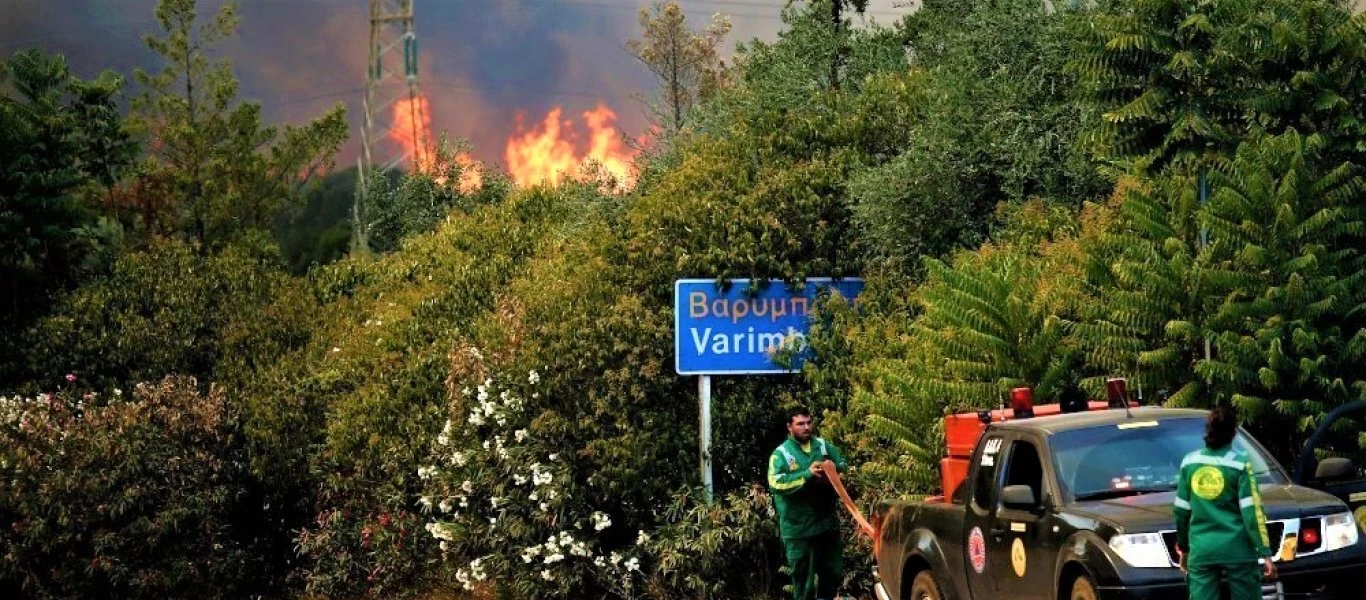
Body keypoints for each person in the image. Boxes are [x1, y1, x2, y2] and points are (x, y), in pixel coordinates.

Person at [1173, 405, 1277, 600]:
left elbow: (1181, 512)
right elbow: (1252, 512)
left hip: (1202, 550)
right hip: (1238, 551)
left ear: (1208, 431)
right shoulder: (1240, 463)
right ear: (1234, 433)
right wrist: (1265, 553)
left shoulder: (1189, 462)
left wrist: (1184, 549)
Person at [767, 406, 849, 600]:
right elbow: (776, 483)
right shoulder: (781, 454)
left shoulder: (823, 446)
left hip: (826, 524)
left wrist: (832, 470)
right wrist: (807, 475)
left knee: (833, 572)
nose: (806, 427)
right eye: (800, 424)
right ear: (789, 427)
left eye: (809, 423)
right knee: (804, 581)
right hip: (798, 529)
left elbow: (843, 465)